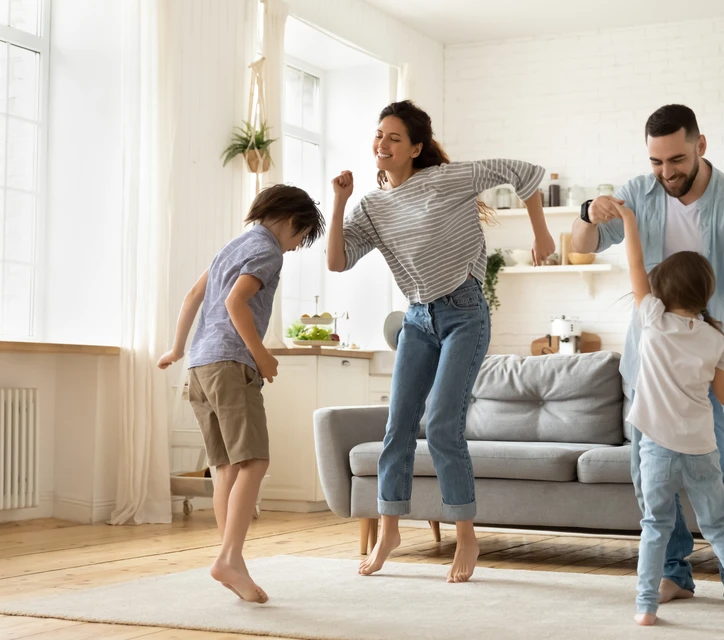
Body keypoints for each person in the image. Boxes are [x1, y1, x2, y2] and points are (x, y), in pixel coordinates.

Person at [327, 100, 555, 583]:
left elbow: (526, 172)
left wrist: (542, 234)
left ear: (415, 147)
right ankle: (389, 528)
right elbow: (337, 261)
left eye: (394, 137)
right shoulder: (372, 206)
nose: (382, 144)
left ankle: (466, 535)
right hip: (416, 319)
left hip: (465, 312)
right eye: (378, 135)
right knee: (397, 426)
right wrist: (340, 202)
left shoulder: (445, 180)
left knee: (445, 426)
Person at [570, 104, 724, 608]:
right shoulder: (640, 191)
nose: (666, 173)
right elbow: (584, 247)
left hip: (719, 356)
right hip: (654, 365)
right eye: (657, 162)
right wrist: (586, 213)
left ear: (701, 146)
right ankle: (673, 574)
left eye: (676, 160)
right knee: (650, 476)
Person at [158, 184, 325, 603]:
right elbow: (236, 303)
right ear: (291, 222)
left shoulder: (231, 246)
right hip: (232, 363)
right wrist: (262, 355)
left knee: (227, 468)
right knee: (254, 460)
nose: (293, 248)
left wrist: (178, 349)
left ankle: (233, 562)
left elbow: (194, 295)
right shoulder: (267, 251)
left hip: (199, 364)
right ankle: (229, 557)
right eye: (300, 239)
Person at [614, 197, 724, 626]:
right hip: (703, 452)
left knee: (655, 527)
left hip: (658, 452)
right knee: (720, 529)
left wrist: (630, 219)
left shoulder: (652, 320)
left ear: (663, 291)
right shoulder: (716, 340)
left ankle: (646, 608)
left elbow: (633, 263)